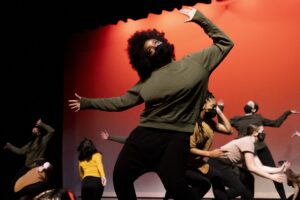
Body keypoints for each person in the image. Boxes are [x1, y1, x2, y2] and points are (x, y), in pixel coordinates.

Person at [69, 6, 234, 200]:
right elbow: (121, 102)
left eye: (156, 42)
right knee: (121, 178)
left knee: (177, 188)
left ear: (164, 42)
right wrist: (88, 102)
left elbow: (225, 43)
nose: (155, 46)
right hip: (144, 137)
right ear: (146, 59)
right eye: (150, 49)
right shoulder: (147, 81)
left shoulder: (196, 62)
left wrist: (200, 18)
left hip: (177, 138)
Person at [100, 91, 233, 199]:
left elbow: (228, 130)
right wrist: (210, 154)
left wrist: (219, 111)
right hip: (183, 164)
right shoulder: (190, 124)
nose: (215, 108)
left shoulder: (209, 122)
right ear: (203, 105)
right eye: (213, 105)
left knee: (211, 179)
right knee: (198, 183)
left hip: (195, 164)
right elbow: (188, 148)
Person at [229, 100, 298, 199]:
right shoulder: (237, 119)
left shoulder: (258, 117)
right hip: (248, 150)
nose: (247, 104)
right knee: (247, 177)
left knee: (274, 172)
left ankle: (283, 198)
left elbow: (276, 123)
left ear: (254, 109)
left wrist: (287, 113)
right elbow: (223, 123)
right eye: (247, 103)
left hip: (261, 149)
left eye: (250, 103)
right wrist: (220, 109)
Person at [209, 124, 290, 200]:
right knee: (239, 189)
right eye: (262, 132)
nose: (264, 134)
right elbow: (251, 167)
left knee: (248, 178)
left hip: (224, 164)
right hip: (217, 163)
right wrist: (271, 177)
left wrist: (280, 169)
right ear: (255, 133)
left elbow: (260, 167)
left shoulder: (251, 145)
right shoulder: (247, 142)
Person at [4, 118, 55, 188]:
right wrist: (9, 146)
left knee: (38, 181)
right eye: (33, 130)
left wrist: (41, 124)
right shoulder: (29, 144)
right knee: (15, 182)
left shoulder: (43, 140)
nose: (34, 131)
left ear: (39, 133)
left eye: (35, 130)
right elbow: (20, 151)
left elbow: (52, 131)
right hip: (27, 166)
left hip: (37, 165)